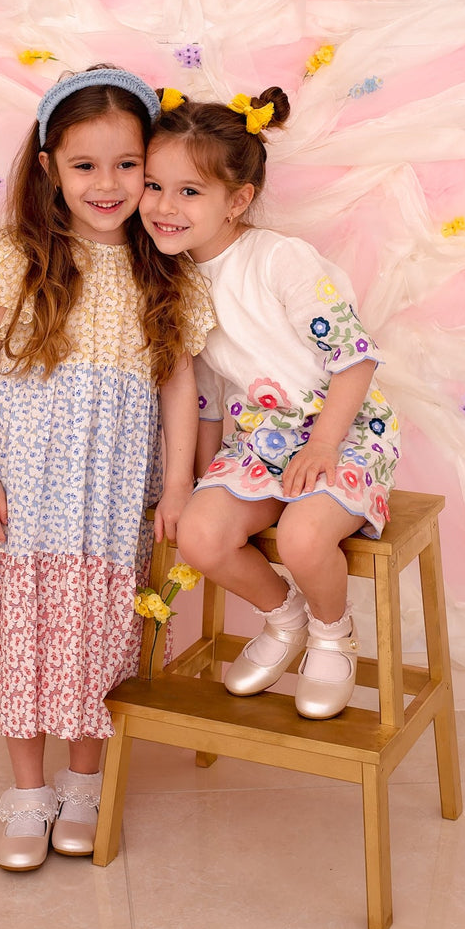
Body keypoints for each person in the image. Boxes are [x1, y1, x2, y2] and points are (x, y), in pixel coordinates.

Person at [0, 68, 214, 871]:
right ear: (50, 167)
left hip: (107, 495)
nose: (107, 185)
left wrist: (179, 484)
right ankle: (28, 791)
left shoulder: (167, 269)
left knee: (93, 634)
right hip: (21, 484)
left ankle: (85, 784)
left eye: (128, 165)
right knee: (22, 630)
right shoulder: (14, 257)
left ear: (150, 167)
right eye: (86, 166)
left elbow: (179, 384)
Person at [138, 87, 400, 720]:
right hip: (259, 440)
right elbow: (206, 395)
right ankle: (284, 617)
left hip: (343, 431)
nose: (165, 206)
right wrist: (202, 478)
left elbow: (355, 360)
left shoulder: (281, 260)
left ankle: (333, 635)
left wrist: (324, 445)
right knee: (201, 536)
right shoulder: (176, 279)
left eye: (189, 191)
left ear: (238, 200)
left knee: (307, 538)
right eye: (153, 185)